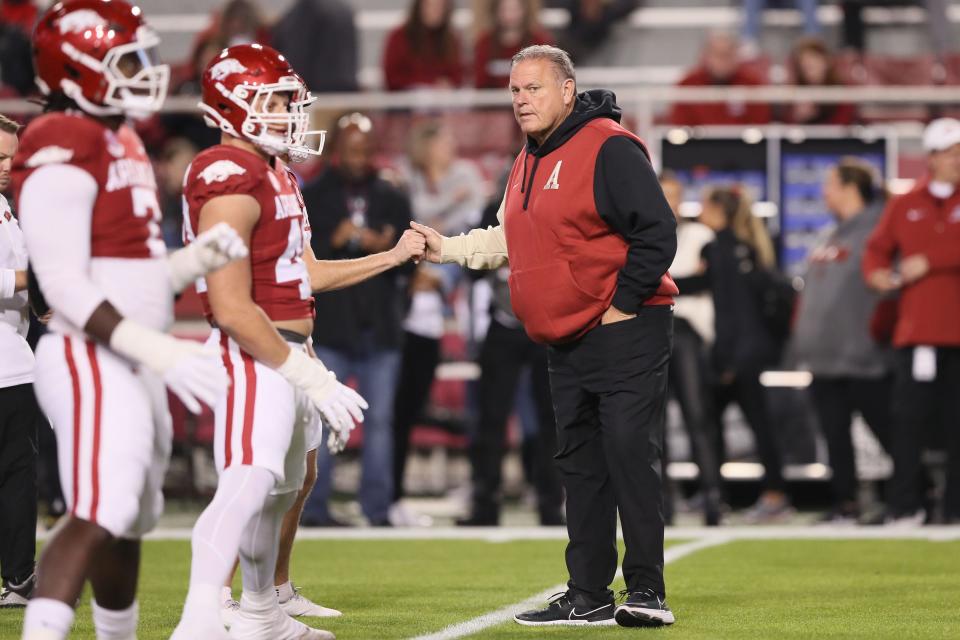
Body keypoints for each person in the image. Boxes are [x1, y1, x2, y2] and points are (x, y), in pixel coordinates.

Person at [413, 44, 679, 628]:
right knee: (579, 465)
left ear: (567, 90)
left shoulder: (608, 146)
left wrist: (623, 305)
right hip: (566, 338)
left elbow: (657, 231)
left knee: (629, 454)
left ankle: (646, 592)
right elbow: (510, 238)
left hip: (622, 328)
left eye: (533, 88)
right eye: (514, 90)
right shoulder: (527, 158)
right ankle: (588, 592)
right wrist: (447, 248)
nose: (521, 100)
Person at [171, 44, 424, 640]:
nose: (290, 113)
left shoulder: (272, 171)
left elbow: (301, 272)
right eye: (278, 101)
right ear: (235, 103)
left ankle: (263, 611)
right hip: (257, 349)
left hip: (288, 343)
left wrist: (389, 256)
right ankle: (201, 618)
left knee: (283, 484)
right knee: (249, 478)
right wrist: (302, 369)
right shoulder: (227, 171)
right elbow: (232, 304)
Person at [11, 3, 247, 638]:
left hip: (133, 352)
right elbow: (61, 286)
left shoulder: (120, 138)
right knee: (99, 508)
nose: (145, 72)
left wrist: (189, 263)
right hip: (93, 354)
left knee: (133, 514)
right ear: (76, 68)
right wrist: (158, 349)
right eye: (127, 60)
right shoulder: (60, 137)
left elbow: (130, 276)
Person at [299, 112, 414, 528]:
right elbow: (303, 260)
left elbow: (408, 266)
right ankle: (314, 508)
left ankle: (377, 509)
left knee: (381, 423)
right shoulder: (312, 195)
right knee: (322, 417)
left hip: (380, 328)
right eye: (350, 149)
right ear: (335, 152)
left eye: (364, 150)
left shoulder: (393, 196)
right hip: (332, 327)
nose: (357, 158)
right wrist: (337, 238)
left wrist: (386, 249)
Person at [863, 118, 960, 525]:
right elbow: (876, 251)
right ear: (933, 158)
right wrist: (878, 274)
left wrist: (930, 262)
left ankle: (954, 509)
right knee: (907, 424)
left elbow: (932, 255)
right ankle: (906, 504)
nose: (958, 160)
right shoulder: (905, 203)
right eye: (953, 153)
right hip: (917, 332)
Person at [680, 187, 793, 523]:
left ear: (719, 211)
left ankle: (768, 494)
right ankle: (721, 491)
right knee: (722, 422)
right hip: (751, 349)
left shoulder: (720, 248)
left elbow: (729, 307)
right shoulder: (747, 247)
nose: (700, 212)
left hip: (736, 353)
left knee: (731, 424)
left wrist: (725, 358)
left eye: (705, 206)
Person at [790, 158, 891, 523]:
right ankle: (844, 502)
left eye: (830, 185)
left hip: (864, 354)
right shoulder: (830, 234)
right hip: (825, 357)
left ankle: (916, 496)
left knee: (891, 431)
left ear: (850, 187)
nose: (823, 193)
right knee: (834, 436)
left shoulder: (879, 229)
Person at [456, 187, 564, 527]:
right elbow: (473, 269)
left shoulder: (555, 208)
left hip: (544, 323)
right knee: (491, 419)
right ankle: (485, 503)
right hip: (504, 322)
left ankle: (551, 503)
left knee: (552, 420)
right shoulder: (495, 209)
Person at [659, 172, 723, 527]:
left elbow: (709, 280)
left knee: (698, 418)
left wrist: (662, 283)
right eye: (663, 194)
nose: (670, 202)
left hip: (687, 333)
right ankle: (664, 504)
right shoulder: (641, 235)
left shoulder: (700, 235)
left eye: (675, 195)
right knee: (657, 426)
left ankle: (712, 498)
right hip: (653, 331)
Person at [0, 114, 39, 608]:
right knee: (15, 474)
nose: (7, 166)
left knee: (17, 473)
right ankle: (20, 577)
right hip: (5, 365)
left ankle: (19, 578)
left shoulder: (5, 206)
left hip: (14, 354)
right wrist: (37, 278)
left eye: (12, 156)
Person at [669, 31, 772, 127]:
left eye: (728, 54)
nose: (723, 60)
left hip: (742, 145)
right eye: (718, 54)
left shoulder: (752, 83)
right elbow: (679, 125)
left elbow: (761, 125)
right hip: (697, 145)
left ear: (736, 54)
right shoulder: (688, 85)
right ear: (706, 55)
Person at [271, 0, 358, 93]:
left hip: (317, 91)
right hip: (343, 89)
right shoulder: (343, 8)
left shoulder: (307, 9)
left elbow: (297, 54)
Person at [383, 0, 464, 90]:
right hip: (407, 99)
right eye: (430, 5)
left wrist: (447, 84)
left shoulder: (452, 40)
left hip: (443, 100)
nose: (436, 11)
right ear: (419, 7)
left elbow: (458, 76)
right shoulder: (398, 37)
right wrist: (429, 84)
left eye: (441, 6)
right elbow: (392, 77)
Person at [473, 0, 552, 89]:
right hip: (492, 101)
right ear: (496, 11)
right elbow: (479, 82)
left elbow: (546, 79)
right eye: (504, 9)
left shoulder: (539, 41)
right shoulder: (485, 43)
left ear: (524, 10)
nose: (509, 15)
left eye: (515, 9)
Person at [783, 37, 856, 126]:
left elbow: (842, 125)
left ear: (827, 61)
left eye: (813, 58)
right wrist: (798, 117)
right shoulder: (797, 90)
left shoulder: (842, 88)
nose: (808, 64)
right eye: (803, 61)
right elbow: (788, 127)